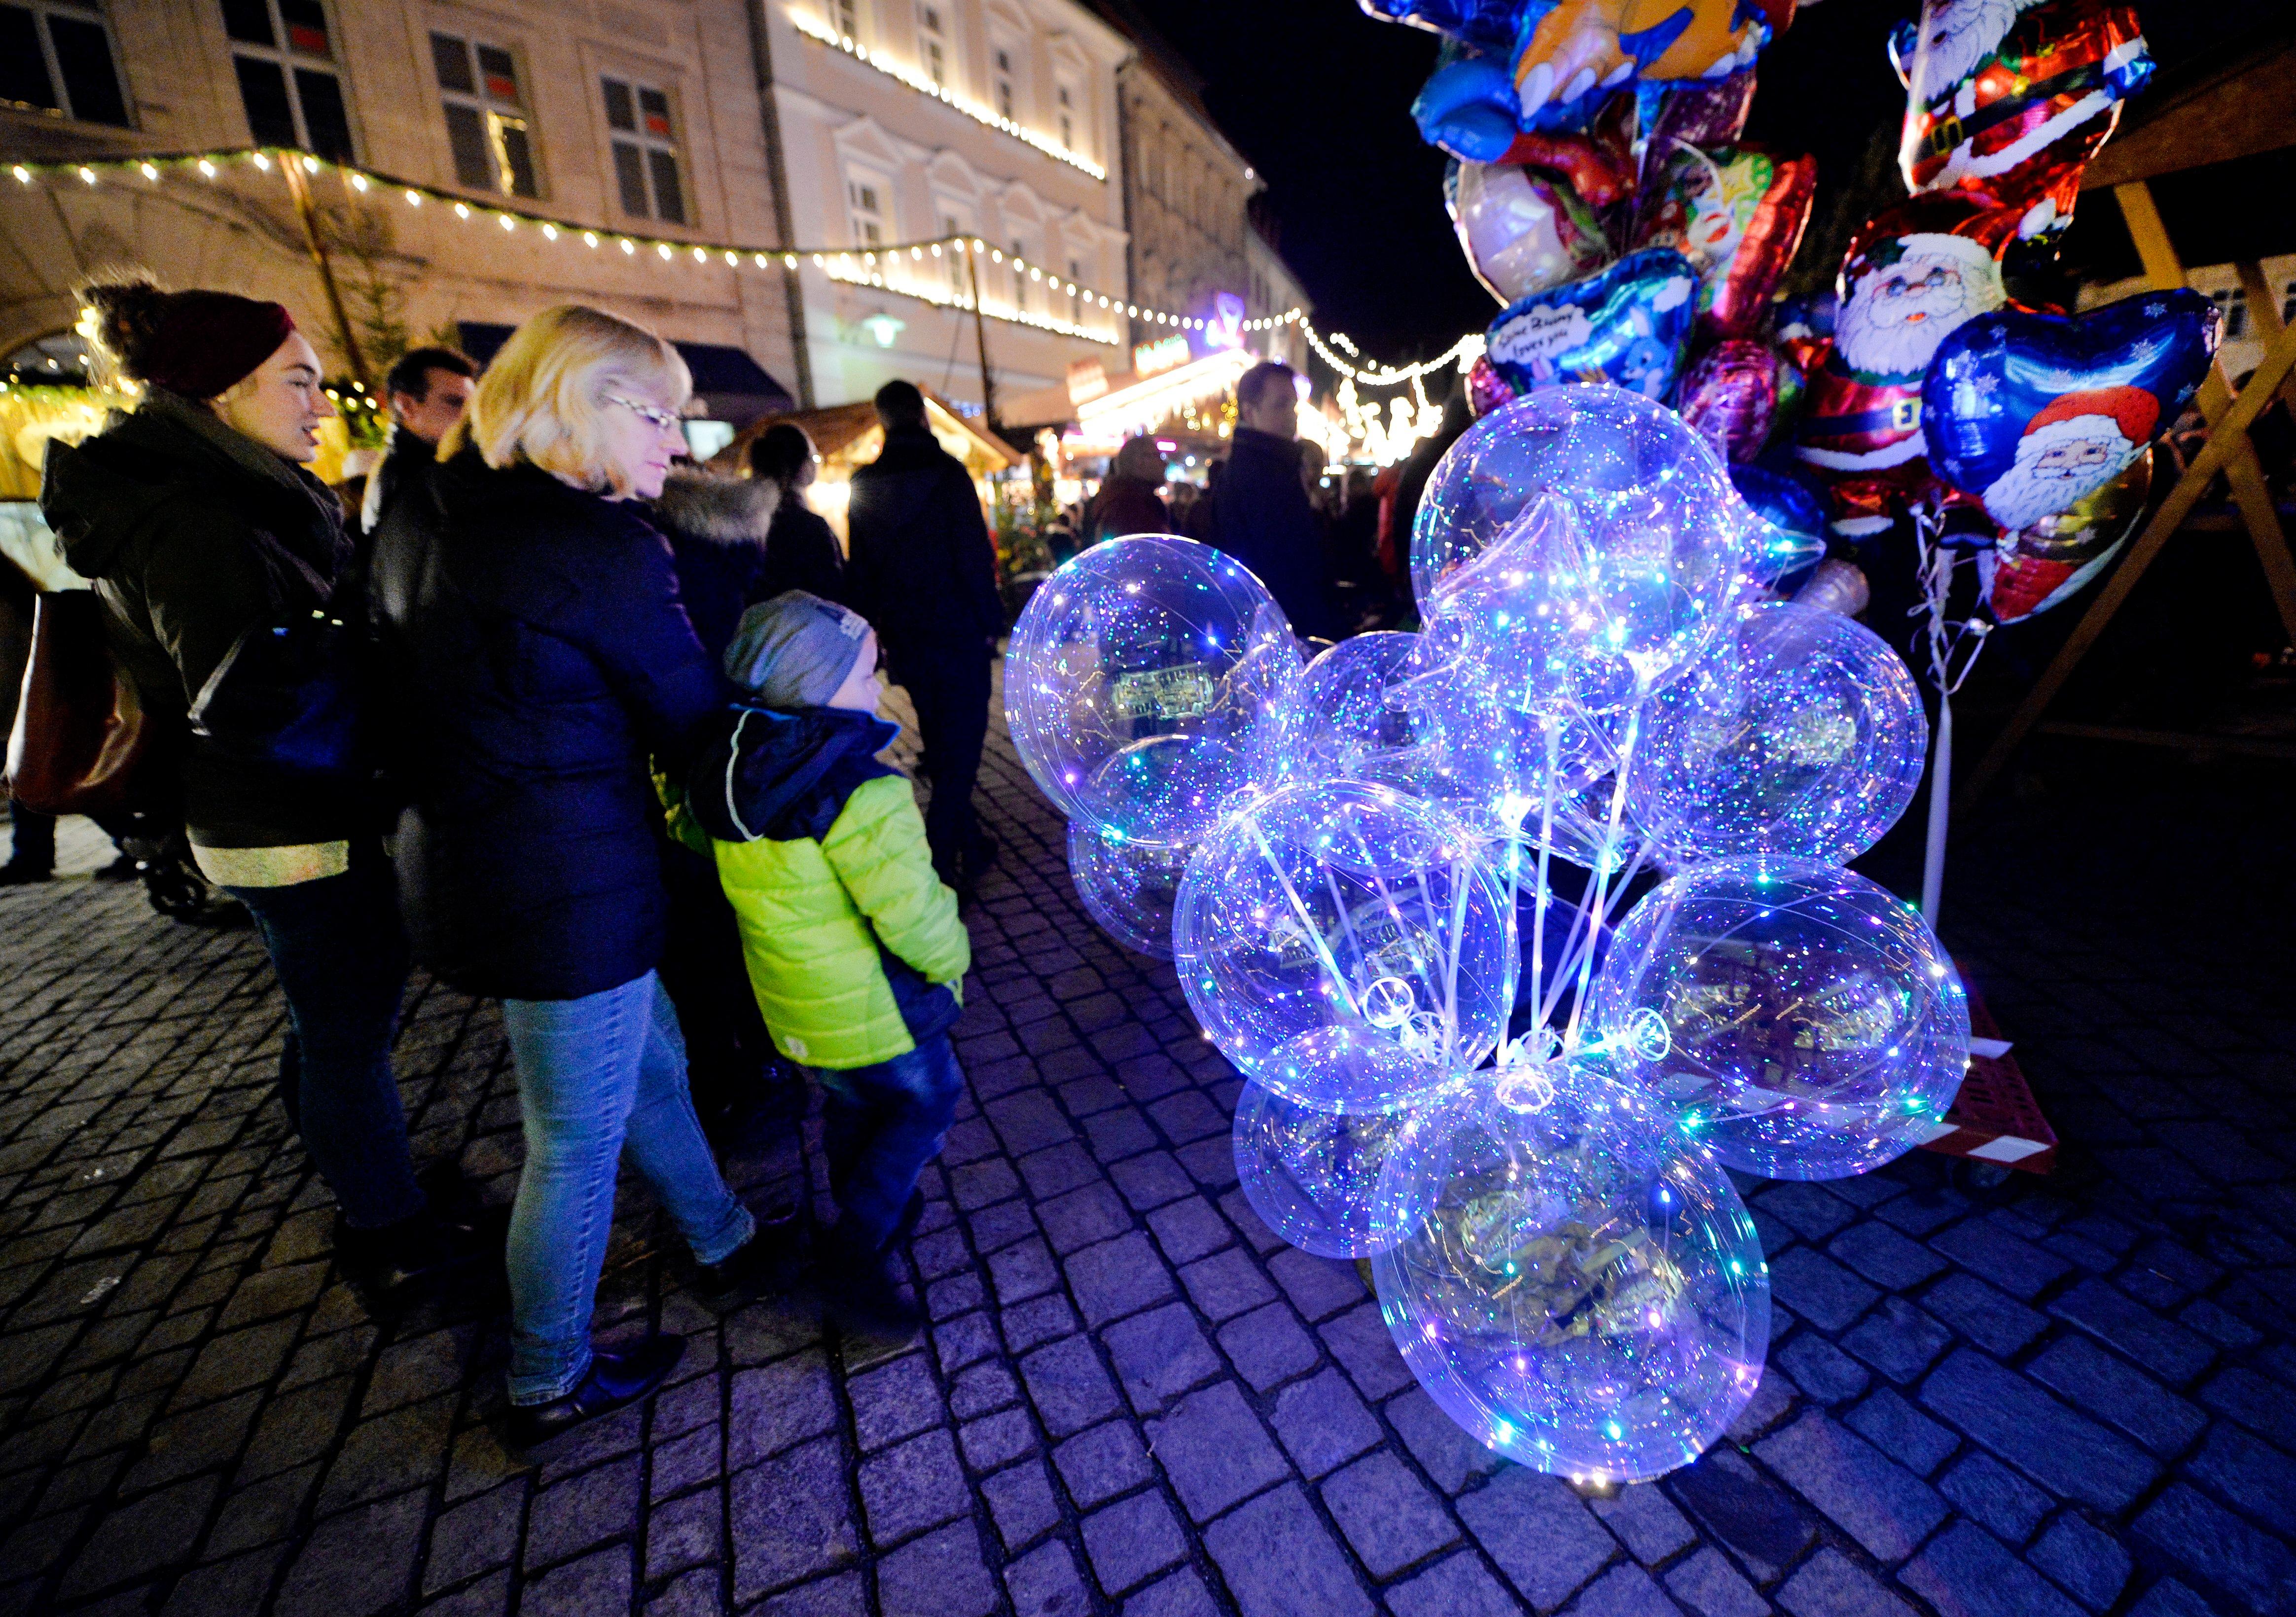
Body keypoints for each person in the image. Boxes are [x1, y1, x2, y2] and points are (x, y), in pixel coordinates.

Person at [369, 305, 783, 1448]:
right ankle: (546, 1376)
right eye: (650, 412)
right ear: (572, 403)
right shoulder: (591, 541)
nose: (675, 438)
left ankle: (722, 1233)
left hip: (475, 862)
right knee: (574, 1137)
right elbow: (691, 720)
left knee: (648, 1061)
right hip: (568, 884)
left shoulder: (423, 502)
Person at [42, 279, 459, 1288]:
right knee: (349, 1030)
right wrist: (369, 647)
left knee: (336, 1020)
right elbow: (250, 695)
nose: (323, 403)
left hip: (272, 811)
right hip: (295, 816)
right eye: (300, 380)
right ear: (221, 392)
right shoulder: (199, 512)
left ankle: (350, 1153)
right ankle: (385, 1224)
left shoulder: (216, 487)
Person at [692, 590, 969, 1337]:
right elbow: (912, 912)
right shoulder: (861, 791)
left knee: (852, 1105)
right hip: (879, 1008)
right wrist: (954, 959)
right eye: (865, 676)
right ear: (815, 688)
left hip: (795, 1009)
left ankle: (871, 1212)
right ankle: (852, 1255)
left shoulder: (729, 774)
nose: (878, 691)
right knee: (927, 1103)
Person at [645, 459, 796, 1141]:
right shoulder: (722, 571)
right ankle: (756, 1069)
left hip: (678, 789)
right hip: (726, 781)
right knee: (737, 940)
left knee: (701, 952)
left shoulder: (660, 559)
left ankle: (722, 1077)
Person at [843, 381, 1002, 891]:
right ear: (921, 415)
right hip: (957, 633)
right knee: (965, 747)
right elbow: (975, 558)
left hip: (907, 637)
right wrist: (989, 622)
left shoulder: (864, 484)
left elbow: (860, 573)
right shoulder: (948, 475)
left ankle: (972, 845)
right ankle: (939, 864)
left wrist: (874, 640)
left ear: (883, 419)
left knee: (940, 740)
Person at [1212, 361, 1339, 639]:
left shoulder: (1279, 465)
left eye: (1293, 406)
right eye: (1280, 405)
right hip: (1283, 626)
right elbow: (1284, 562)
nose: (1291, 416)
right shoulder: (1258, 474)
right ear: (1250, 412)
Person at [361, 346, 477, 535]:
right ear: (406, 405)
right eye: (454, 403)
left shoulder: (439, 467)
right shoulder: (410, 482)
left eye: (472, 405)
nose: (468, 416)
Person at [749, 423, 846, 603]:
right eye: (815, 458)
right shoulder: (810, 526)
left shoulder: (747, 521)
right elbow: (834, 589)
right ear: (803, 466)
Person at [1079, 435, 1171, 545]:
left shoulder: (1118, 498)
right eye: (1158, 456)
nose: (1165, 464)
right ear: (1140, 462)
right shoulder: (1130, 507)